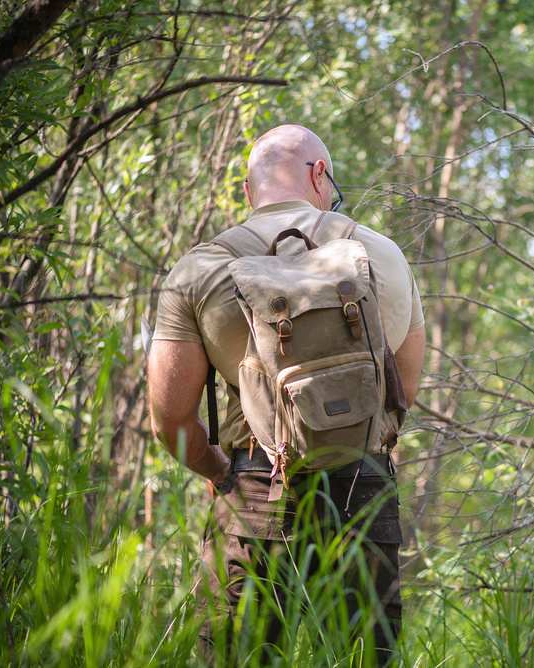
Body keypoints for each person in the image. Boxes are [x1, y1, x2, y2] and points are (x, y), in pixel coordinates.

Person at [147, 124, 425, 665]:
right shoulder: (383, 255)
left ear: (249, 190)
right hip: (361, 492)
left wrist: (219, 471)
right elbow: (403, 392)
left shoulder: (199, 270)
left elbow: (171, 420)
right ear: (319, 174)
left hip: (256, 489)